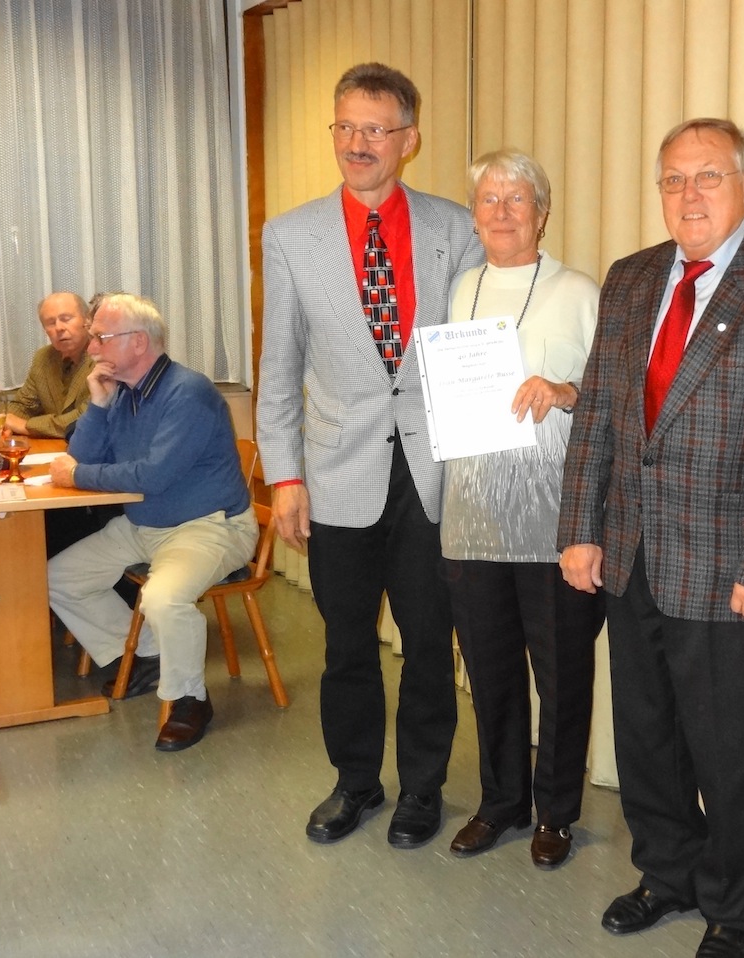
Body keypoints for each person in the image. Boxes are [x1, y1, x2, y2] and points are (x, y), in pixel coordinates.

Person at [556, 118, 744, 958]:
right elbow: (600, 416)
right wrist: (580, 531)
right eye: (673, 179)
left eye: (708, 176)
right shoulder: (630, 278)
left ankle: (733, 907)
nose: (689, 195)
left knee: (730, 753)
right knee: (645, 738)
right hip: (631, 556)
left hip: (731, 572)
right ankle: (666, 874)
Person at [257, 62, 483, 848]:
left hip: (431, 474)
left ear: (407, 140)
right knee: (345, 644)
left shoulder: (456, 229)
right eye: (345, 127)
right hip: (334, 472)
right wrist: (284, 476)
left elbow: (474, 353)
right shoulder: (290, 236)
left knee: (427, 643)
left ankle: (422, 787)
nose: (357, 144)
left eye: (375, 130)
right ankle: (355, 782)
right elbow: (278, 367)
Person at [440, 150, 604, 868]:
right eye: (489, 199)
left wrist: (565, 392)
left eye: (517, 199)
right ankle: (501, 801)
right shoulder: (460, 289)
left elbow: (613, 400)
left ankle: (556, 813)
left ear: (542, 212)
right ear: (474, 215)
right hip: (472, 515)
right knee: (490, 671)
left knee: (561, 675)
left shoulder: (578, 291)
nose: (502, 212)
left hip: (554, 520)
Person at [47, 293, 257, 752]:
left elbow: (153, 475)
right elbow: (81, 456)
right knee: (57, 578)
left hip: (209, 526)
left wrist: (78, 475)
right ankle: (149, 655)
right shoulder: (122, 392)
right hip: (147, 525)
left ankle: (190, 699)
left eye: (101, 337)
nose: (92, 347)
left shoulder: (188, 393)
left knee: (162, 599)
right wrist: (98, 403)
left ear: (138, 342)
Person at [7, 291, 93, 438]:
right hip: (54, 447)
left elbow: (87, 417)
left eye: (66, 319)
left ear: (87, 320)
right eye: (51, 323)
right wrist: (6, 424)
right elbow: (22, 405)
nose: (59, 328)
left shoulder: (104, 356)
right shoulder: (43, 358)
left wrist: (25, 426)